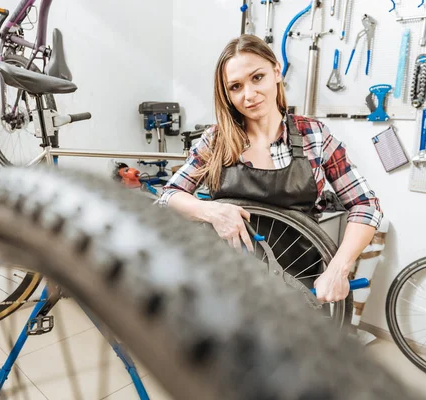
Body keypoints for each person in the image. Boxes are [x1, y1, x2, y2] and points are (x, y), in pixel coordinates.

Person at [157, 35, 382, 304]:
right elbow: (169, 196)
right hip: (222, 285)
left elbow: (366, 205)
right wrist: (211, 211)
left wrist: (338, 267)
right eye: (236, 87)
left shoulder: (314, 135)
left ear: (276, 71)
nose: (249, 95)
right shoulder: (216, 140)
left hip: (295, 289)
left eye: (257, 77)